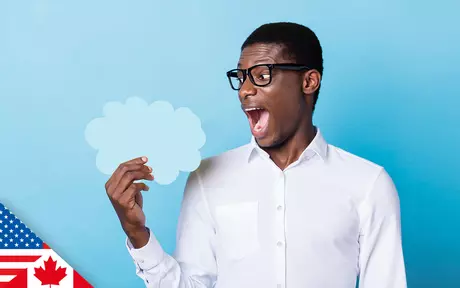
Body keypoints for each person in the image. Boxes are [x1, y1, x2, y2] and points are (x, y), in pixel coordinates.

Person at [104, 22, 407, 288]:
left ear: (308, 82)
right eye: (241, 77)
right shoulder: (207, 178)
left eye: (262, 75)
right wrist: (136, 233)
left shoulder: (368, 184)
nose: (244, 90)